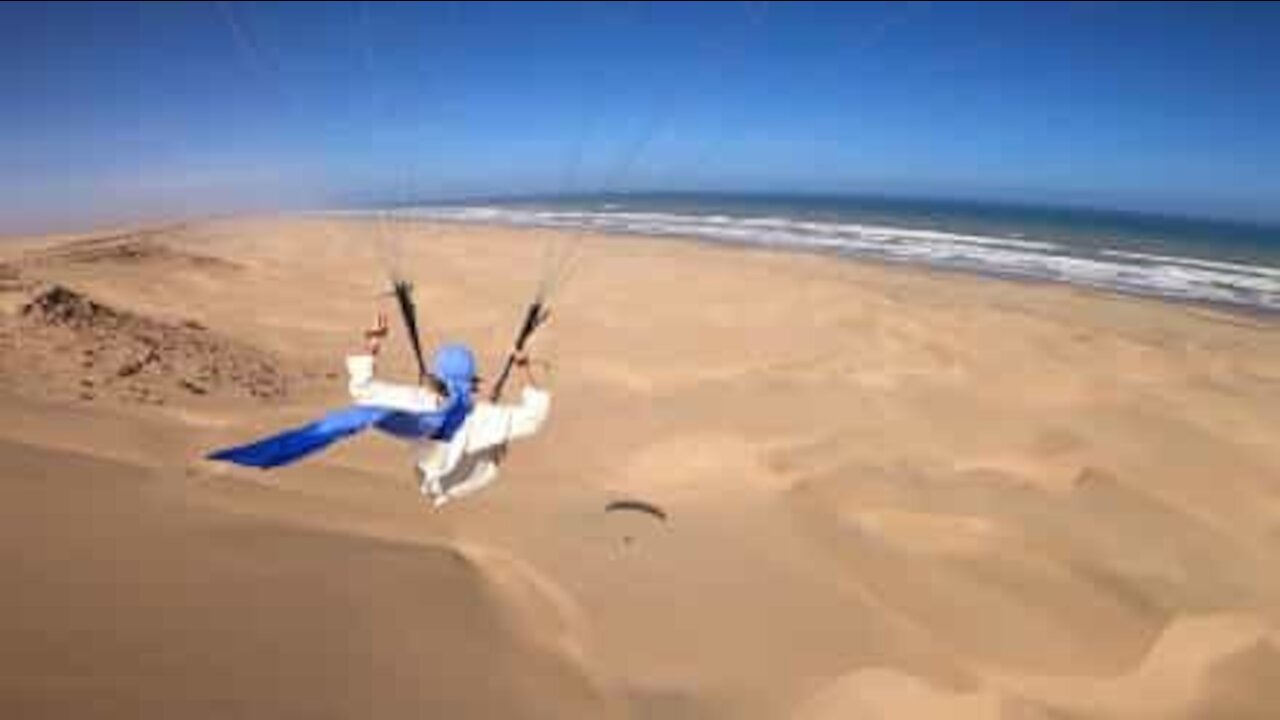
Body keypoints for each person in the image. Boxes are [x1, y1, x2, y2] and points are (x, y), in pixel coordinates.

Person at [349, 312, 551, 507]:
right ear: (471, 381)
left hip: (429, 477)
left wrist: (373, 343)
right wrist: (524, 367)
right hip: (471, 479)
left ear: (438, 377)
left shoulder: (418, 402)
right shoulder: (481, 417)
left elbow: (362, 389)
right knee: (496, 437)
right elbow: (535, 416)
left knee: (490, 429)